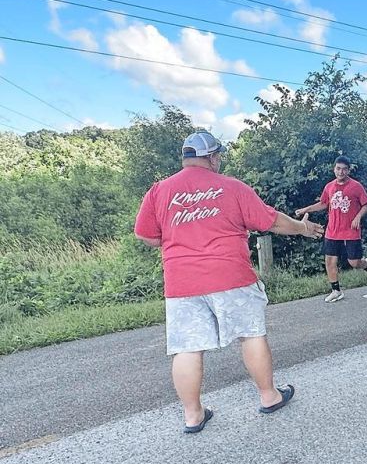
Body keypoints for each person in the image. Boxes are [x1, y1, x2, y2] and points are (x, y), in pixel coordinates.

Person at [134, 130, 325, 434]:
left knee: (187, 348)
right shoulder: (231, 187)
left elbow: (145, 235)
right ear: (211, 156)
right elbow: (271, 221)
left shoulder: (159, 191)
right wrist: (302, 228)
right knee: (251, 334)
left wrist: (179, 237)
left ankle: (193, 416)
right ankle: (269, 396)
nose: (219, 161)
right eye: (218, 156)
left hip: (182, 283)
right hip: (231, 275)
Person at [295, 155, 367, 302]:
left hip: (351, 230)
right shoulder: (329, 187)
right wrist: (305, 209)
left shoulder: (356, 186)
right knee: (329, 261)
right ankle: (336, 290)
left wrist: (358, 217)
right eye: (338, 169)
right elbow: (323, 203)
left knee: (354, 262)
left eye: (344, 169)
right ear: (334, 169)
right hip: (333, 230)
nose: (341, 172)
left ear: (348, 171)